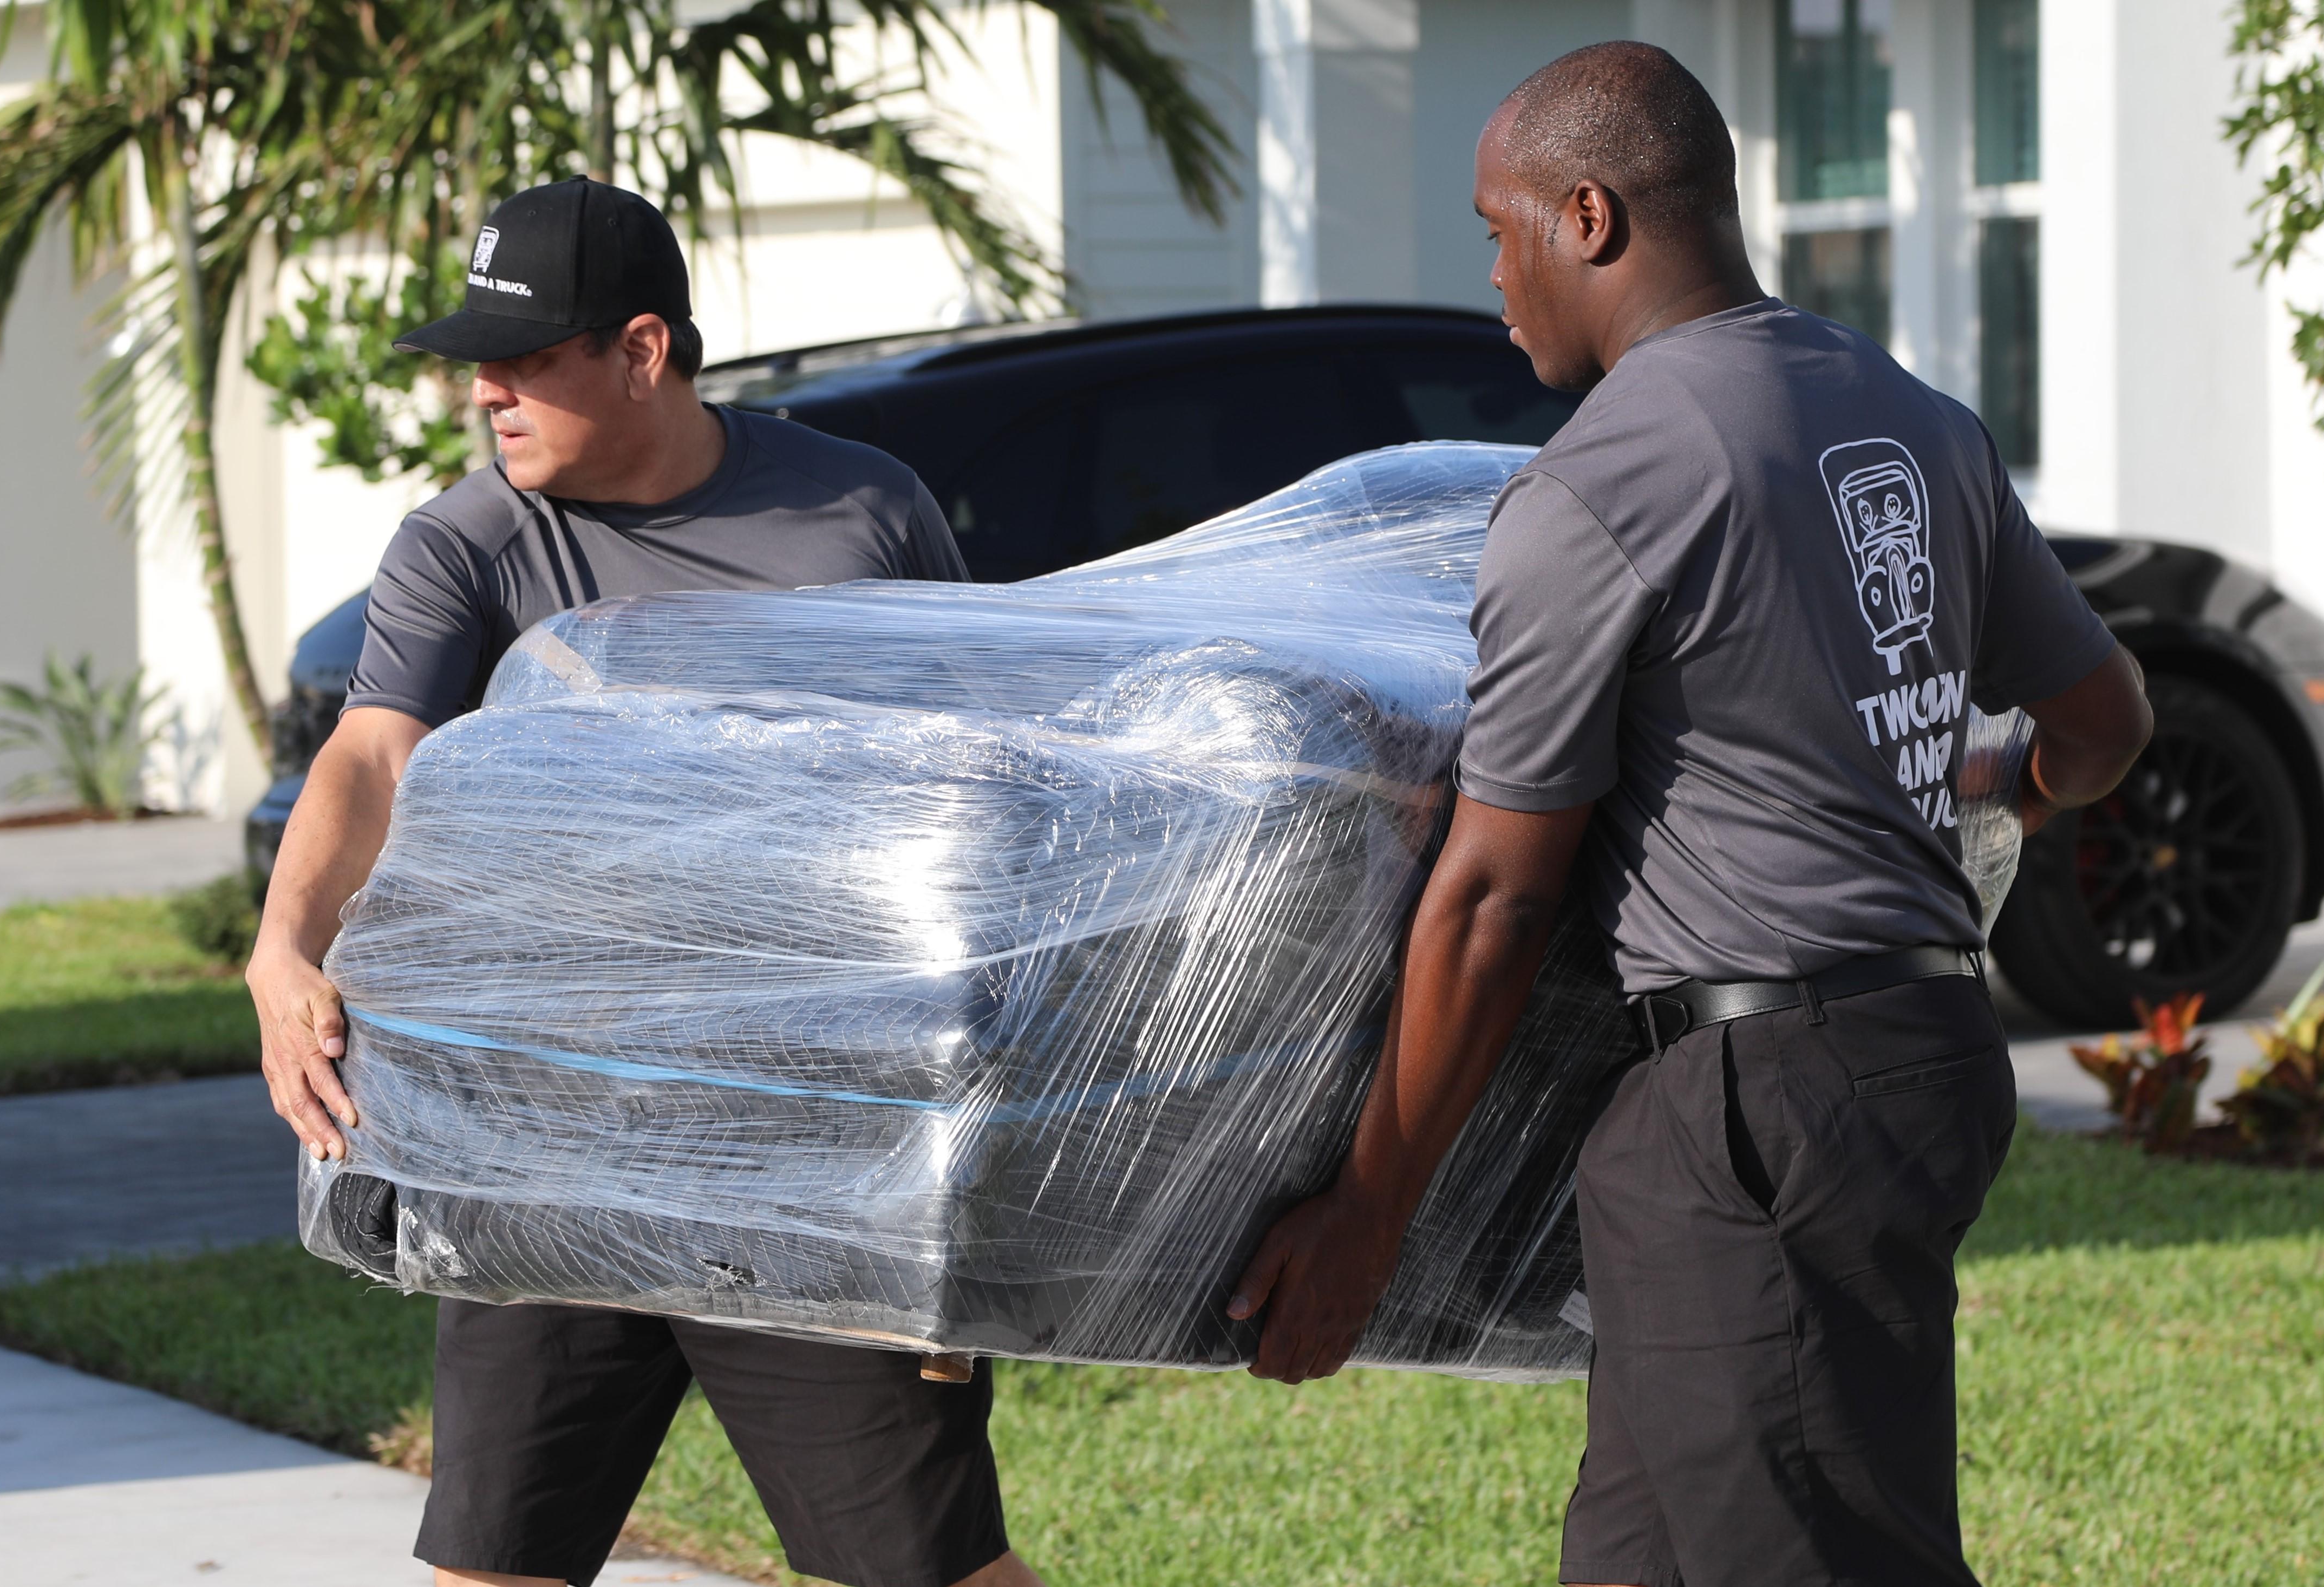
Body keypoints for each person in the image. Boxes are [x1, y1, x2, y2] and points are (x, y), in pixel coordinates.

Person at [1223, 42, 2152, 1587]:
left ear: (1586, 217)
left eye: (1497, 227)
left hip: (1765, 1105)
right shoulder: (1914, 417)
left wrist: (1368, 1213)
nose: (1498, 272)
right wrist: (1989, 788)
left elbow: (1494, 899)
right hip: (1889, 1062)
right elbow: (2104, 723)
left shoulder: (1605, 481)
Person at [246, 177, 1043, 1587]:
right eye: (475, 363)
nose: (484, 392)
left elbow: (975, 803)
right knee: (492, 1571)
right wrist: (283, 948)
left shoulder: (861, 515)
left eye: (523, 359)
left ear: (641, 351)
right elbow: (372, 756)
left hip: (806, 1149)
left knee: (931, 1573)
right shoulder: (470, 542)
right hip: (545, 1143)